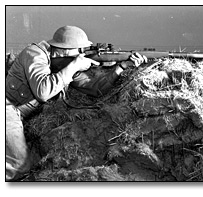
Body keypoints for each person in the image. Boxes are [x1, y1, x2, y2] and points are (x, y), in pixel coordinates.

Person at [6, 25, 147, 181]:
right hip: (6, 109)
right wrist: (74, 66)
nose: (84, 54)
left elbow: (95, 89)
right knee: (19, 167)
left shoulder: (62, 61)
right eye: (80, 51)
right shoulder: (34, 53)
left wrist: (122, 66)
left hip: (20, 114)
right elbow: (43, 92)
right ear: (63, 51)